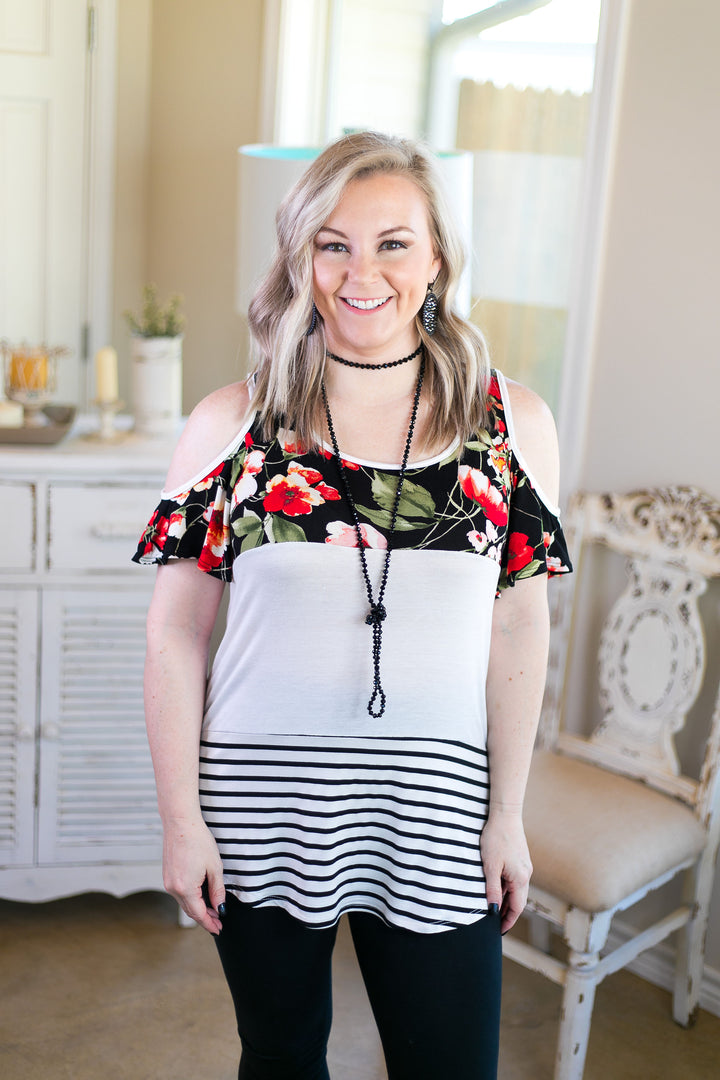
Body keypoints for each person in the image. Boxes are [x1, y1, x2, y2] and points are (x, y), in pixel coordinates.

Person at [133, 130, 571, 1080]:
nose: (359, 272)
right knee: (282, 1057)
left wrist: (509, 814)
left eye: (393, 243)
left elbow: (516, 627)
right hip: (256, 808)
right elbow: (174, 634)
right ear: (301, 255)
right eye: (332, 243)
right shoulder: (233, 424)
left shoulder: (510, 426)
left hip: (438, 809)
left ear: (439, 258)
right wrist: (180, 820)